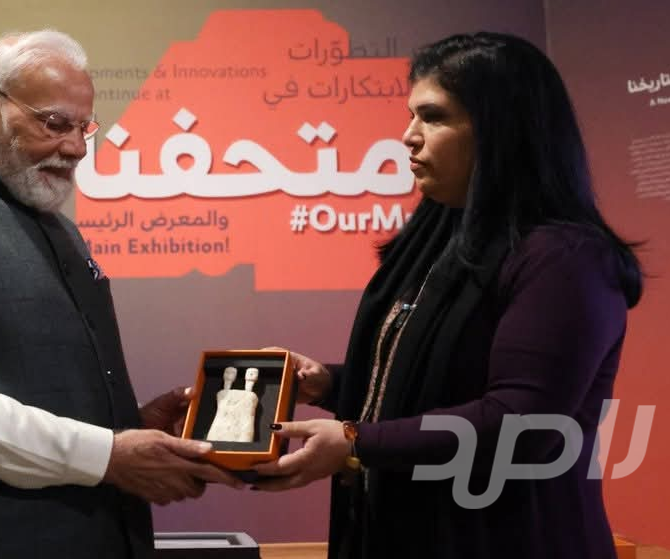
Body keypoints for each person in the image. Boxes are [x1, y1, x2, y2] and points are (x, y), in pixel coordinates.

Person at [254, 33, 642, 559]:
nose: (408, 137)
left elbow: (522, 423)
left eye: (433, 118)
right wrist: (329, 383)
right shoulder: (441, 240)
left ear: (502, 131)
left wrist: (355, 442)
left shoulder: (565, 257)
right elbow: (431, 383)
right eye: (411, 116)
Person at [0, 29, 239, 559]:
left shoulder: (62, 230)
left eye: (85, 128)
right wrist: (107, 453)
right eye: (55, 124)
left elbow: (33, 383)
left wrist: (130, 425)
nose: (76, 148)